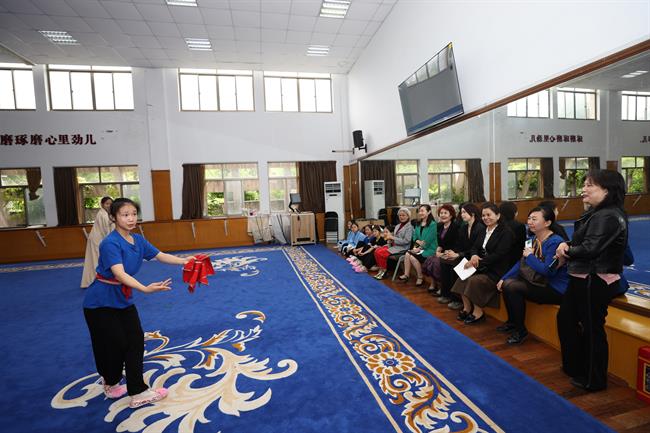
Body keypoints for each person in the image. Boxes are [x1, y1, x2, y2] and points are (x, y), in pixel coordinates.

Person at [83, 198, 194, 408]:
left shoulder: (138, 240)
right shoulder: (110, 243)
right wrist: (145, 288)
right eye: (125, 215)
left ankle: (137, 391)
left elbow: (160, 255)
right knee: (113, 345)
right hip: (100, 303)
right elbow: (119, 274)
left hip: (122, 300)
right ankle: (111, 383)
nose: (131, 218)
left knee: (135, 341)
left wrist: (185, 261)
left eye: (134, 214)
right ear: (113, 217)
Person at [555, 169, 628, 392]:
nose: (583, 189)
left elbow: (590, 248)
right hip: (581, 276)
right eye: (584, 184)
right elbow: (584, 243)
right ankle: (576, 367)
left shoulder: (608, 215)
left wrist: (566, 250)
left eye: (589, 185)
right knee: (566, 319)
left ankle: (594, 379)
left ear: (607, 190)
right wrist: (568, 246)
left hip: (594, 278)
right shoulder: (598, 213)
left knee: (592, 329)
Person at [497, 207, 569, 344]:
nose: (529, 222)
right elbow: (521, 263)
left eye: (534, 219)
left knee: (512, 287)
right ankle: (512, 322)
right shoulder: (533, 239)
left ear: (547, 223)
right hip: (539, 282)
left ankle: (520, 330)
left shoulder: (555, 242)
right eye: (529, 218)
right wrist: (504, 277)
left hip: (555, 288)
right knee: (507, 283)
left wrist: (530, 256)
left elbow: (548, 271)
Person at [451, 202, 515, 324]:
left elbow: (499, 255)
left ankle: (478, 312)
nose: (485, 218)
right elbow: (475, 247)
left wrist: (478, 263)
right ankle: (467, 308)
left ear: (498, 215)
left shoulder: (505, 232)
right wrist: (474, 255)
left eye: (489, 215)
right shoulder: (484, 230)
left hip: (496, 269)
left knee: (474, 281)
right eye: (483, 215)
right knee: (462, 276)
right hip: (481, 266)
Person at [439, 203, 485, 310]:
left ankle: (458, 300)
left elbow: (476, 248)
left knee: (455, 264)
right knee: (445, 260)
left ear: (472, 213)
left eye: (464, 212)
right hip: (465, 255)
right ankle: (447, 294)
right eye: (461, 212)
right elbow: (459, 244)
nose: (462, 214)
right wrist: (453, 252)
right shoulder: (464, 228)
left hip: (475, 257)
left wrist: (458, 254)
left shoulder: (480, 228)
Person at [422, 204, 460, 298]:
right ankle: (439, 286)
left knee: (437, 262)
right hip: (442, 252)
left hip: (452, 253)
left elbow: (457, 244)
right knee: (430, 260)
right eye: (441, 213)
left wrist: (444, 253)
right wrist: (439, 248)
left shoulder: (456, 227)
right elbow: (440, 242)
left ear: (451, 215)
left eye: (445, 213)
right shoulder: (440, 226)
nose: (443, 215)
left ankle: (443, 288)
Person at [398, 204, 438, 286]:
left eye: (422, 211)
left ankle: (420, 277)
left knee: (412, 257)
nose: (420, 213)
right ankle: (406, 275)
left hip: (430, 249)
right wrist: (416, 246)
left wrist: (419, 248)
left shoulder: (433, 224)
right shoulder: (418, 223)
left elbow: (428, 241)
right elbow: (415, 237)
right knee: (407, 254)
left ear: (429, 212)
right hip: (420, 248)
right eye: (419, 211)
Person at [81, 197, 114, 289]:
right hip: (97, 241)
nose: (109, 205)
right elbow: (106, 230)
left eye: (110, 204)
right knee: (96, 261)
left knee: (95, 261)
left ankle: (93, 281)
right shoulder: (103, 214)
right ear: (102, 204)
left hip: (99, 239)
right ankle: (95, 282)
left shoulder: (105, 213)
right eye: (107, 204)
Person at [373, 208, 413, 279]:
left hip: (402, 248)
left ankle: (384, 271)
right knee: (377, 250)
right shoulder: (397, 226)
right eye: (400, 215)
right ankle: (381, 269)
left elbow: (406, 241)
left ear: (408, 216)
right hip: (393, 245)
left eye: (403, 215)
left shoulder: (410, 227)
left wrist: (392, 238)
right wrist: (389, 239)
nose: (401, 217)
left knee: (381, 253)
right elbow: (394, 237)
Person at [499, 201, 527, 270]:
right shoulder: (519, 226)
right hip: (514, 259)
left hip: (499, 258)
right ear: (515, 213)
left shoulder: (497, 224)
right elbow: (522, 244)